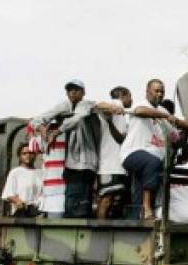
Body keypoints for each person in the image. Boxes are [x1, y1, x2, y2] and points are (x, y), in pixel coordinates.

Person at [31, 78, 122, 218]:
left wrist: (57, 131)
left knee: (81, 201)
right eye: (69, 90)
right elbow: (37, 119)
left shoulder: (84, 104)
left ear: (83, 92)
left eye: (76, 90)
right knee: (73, 200)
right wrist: (41, 128)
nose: (72, 93)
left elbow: (78, 117)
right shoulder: (64, 106)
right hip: (72, 164)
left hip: (86, 161)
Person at [120, 79, 188, 219]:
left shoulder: (163, 111)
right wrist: (165, 116)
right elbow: (139, 111)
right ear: (147, 91)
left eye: (162, 91)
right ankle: (147, 207)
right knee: (153, 162)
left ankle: (138, 218)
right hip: (133, 153)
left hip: (153, 163)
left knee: (142, 187)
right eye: (156, 91)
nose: (160, 94)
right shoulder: (142, 104)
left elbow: (177, 137)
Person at [96, 86, 132, 219]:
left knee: (111, 201)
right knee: (106, 200)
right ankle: (100, 229)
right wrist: (114, 107)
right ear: (123, 95)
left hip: (115, 164)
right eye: (130, 96)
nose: (131, 99)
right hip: (110, 164)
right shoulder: (117, 103)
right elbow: (99, 105)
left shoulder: (123, 114)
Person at [1, 144, 43, 216]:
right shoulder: (15, 172)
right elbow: (9, 194)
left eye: (31, 153)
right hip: (22, 212)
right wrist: (19, 202)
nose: (28, 155)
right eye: (24, 153)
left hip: (39, 212)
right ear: (19, 156)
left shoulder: (41, 173)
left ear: (35, 155)